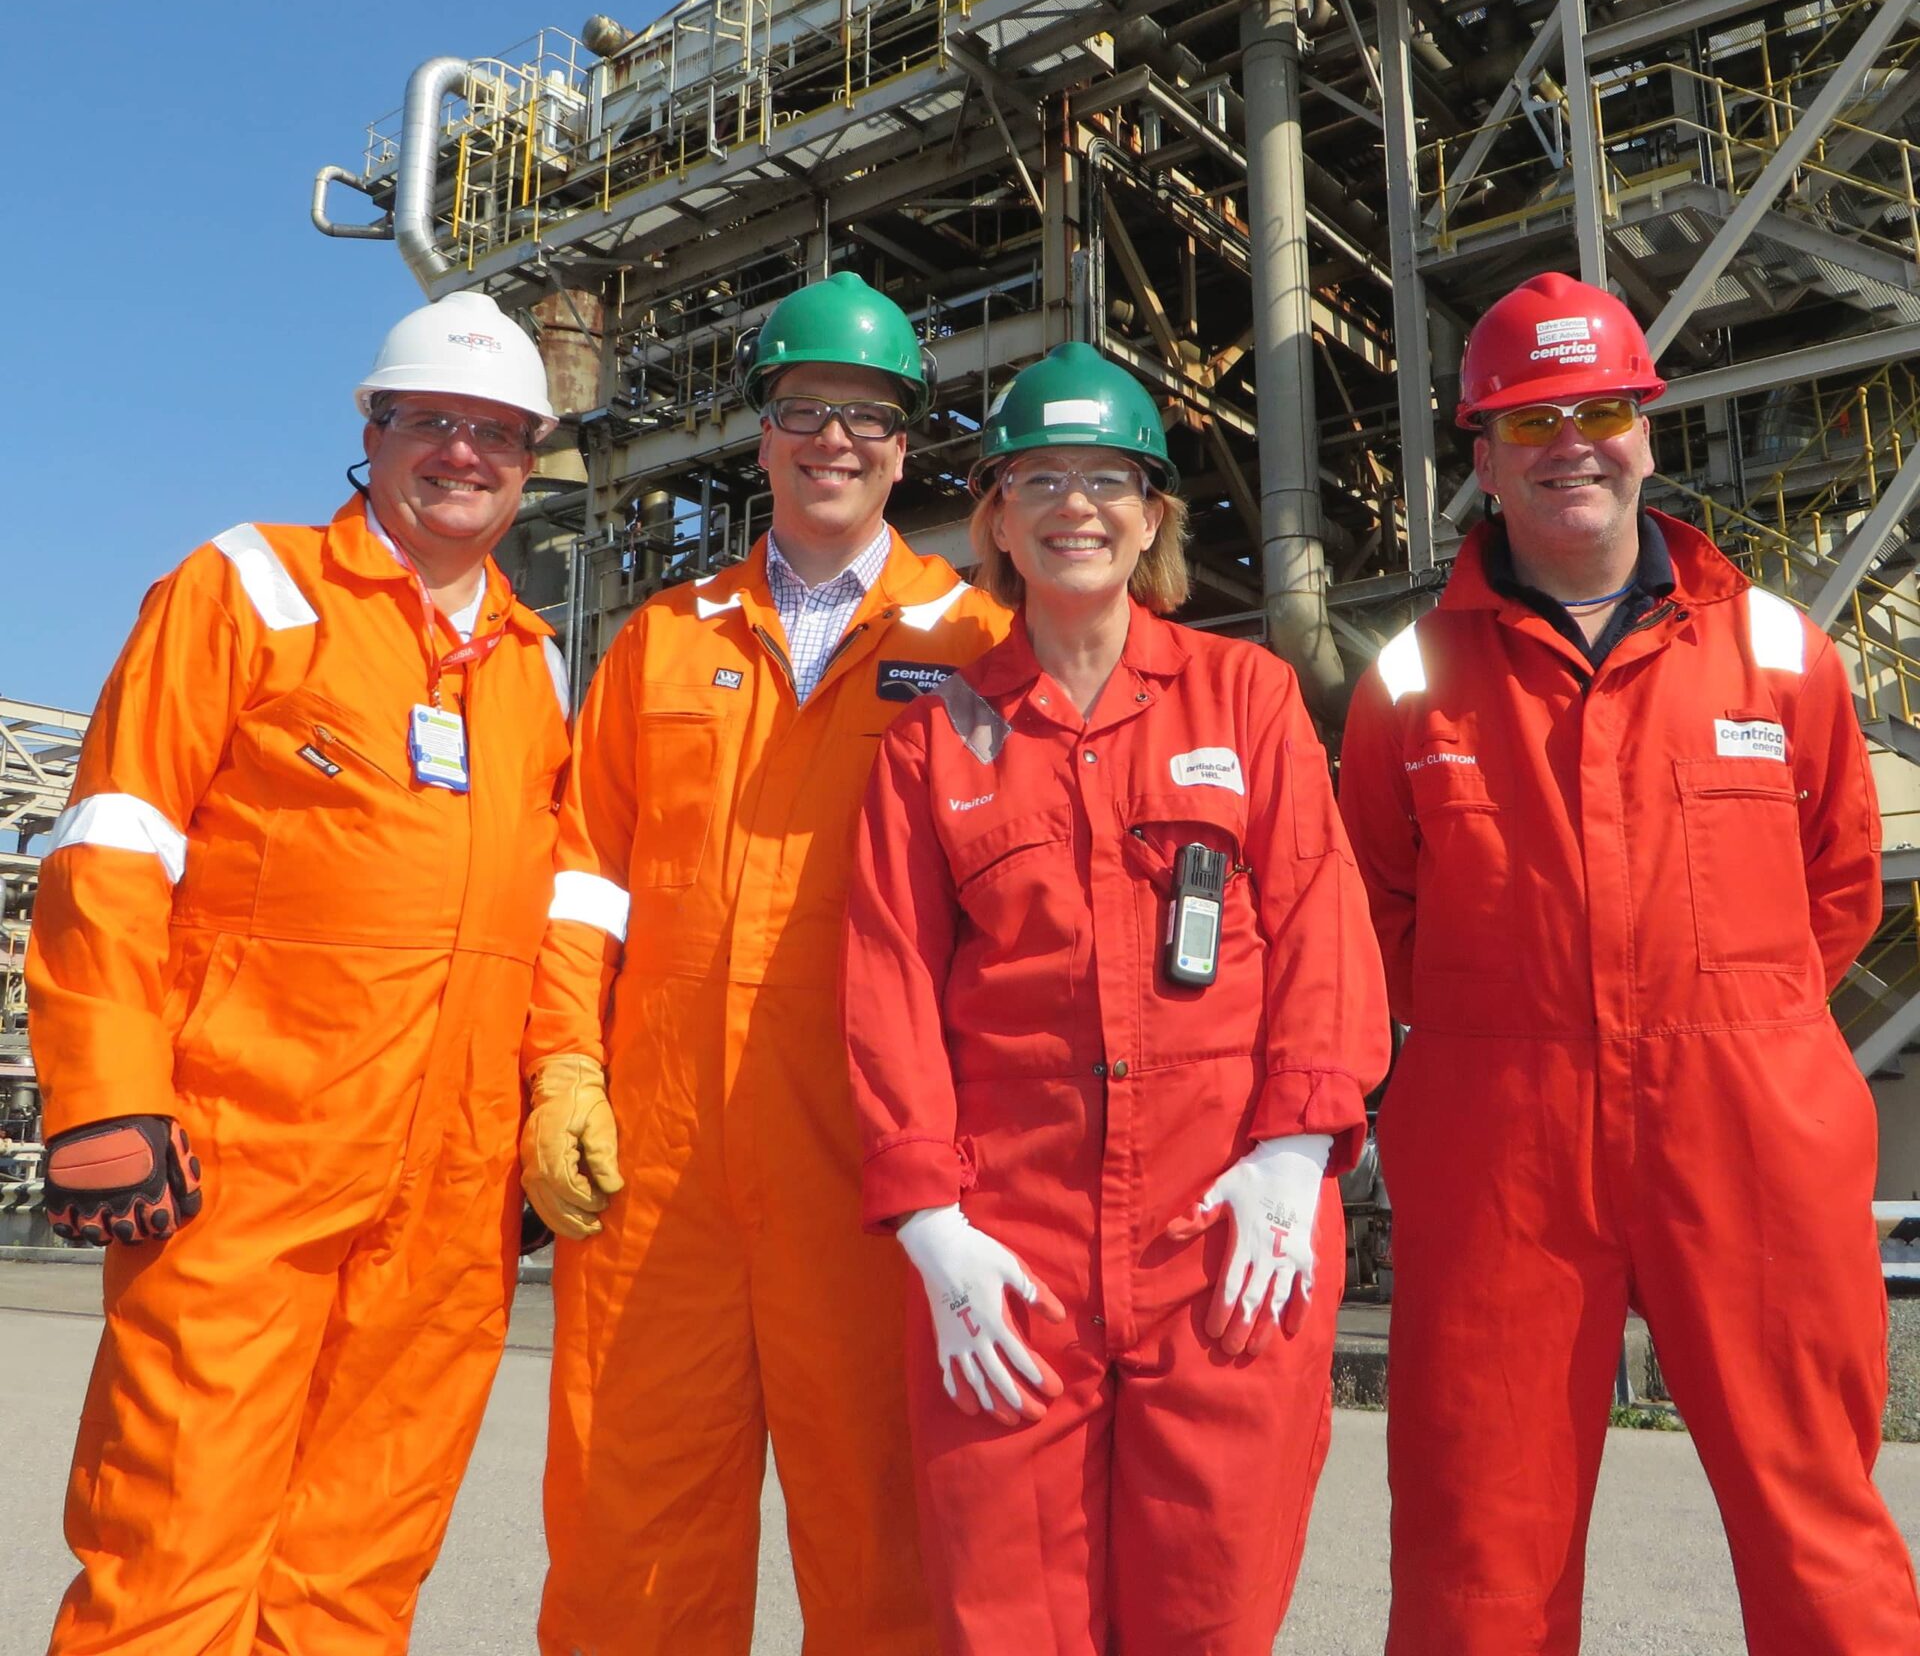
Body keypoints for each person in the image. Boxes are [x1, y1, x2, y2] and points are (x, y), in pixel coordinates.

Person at [1339, 271, 1920, 1655]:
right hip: (1500, 1133)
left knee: (1813, 1512)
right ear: (1482, 459)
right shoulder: (1410, 681)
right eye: (1530, 422)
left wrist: (1731, 1015)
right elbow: (1378, 916)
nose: (1571, 445)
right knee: (1481, 1530)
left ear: (1649, 432)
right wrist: (1514, 1029)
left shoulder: (1778, 653)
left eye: (1600, 409)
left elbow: (1838, 885)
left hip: (1751, 1116)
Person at [27, 289, 573, 1652]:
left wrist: (549, 1094)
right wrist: (102, 1094)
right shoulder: (248, 590)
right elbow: (115, 842)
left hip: (448, 1198)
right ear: (371, 432)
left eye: (496, 434)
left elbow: (555, 906)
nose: (462, 453)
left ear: (531, 459)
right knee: (174, 1540)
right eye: (432, 423)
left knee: (360, 1565)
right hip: (242, 1163)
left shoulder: (533, 671)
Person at [839, 343, 1392, 1654]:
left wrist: (1296, 1144)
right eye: (1040, 478)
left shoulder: (1243, 695)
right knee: (1008, 1618)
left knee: (1213, 1609)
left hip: (1226, 1236)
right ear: (997, 517)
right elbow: (889, 975)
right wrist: (930, 1225)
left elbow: (1321, 922)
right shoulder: (940, 738)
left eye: (1106, 480)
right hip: (1013, 1254)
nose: (1073, 507)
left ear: (1152, 518)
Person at [522, 271, 1010, 1656]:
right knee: (634, 1541)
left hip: (872, 1160)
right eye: (805, 410)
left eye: (867, 416)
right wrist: (562, 1065)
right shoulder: (664, 644)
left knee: (886, 1550)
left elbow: (1015, 911)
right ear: (763, 435)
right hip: (661, 1163)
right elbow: (582, 885)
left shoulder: (972, 645)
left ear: (906, 444)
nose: (835, 441)